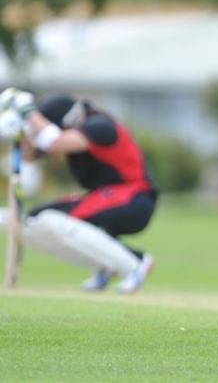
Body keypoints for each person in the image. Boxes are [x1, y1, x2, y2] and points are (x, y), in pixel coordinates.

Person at [0, 87, 158, 293]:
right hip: (106, 196)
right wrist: (23, 129)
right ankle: (104, 266)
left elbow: (54, 142)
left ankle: (135, 264)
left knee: (54, 218)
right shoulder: (71, 128)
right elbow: (30, 170)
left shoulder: (100, 126)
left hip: (134, 197)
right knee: (34, 221)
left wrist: (28, 111)